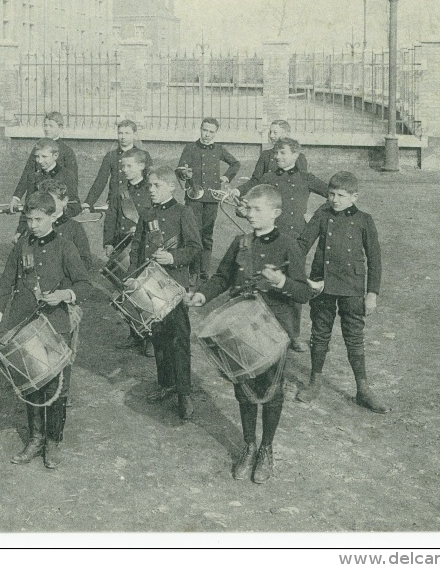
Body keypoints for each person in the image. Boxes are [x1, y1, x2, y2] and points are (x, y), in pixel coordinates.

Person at [188, 184, 315, 484]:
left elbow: (304, 292)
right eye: (249, 208)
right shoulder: (240, 242)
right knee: (243, 389)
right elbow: (221, 277)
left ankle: (266, 449)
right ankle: (248, 445)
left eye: (258, 209)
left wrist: (282, 281)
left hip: (274, 330)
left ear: (276, 213)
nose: (251, 214)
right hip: (240, 329)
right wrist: (203, 296)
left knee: (271, 393)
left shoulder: (288, 245)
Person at [0, 191, 91, 470]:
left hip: (55, 326)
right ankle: (35, 438)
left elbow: (84, 284)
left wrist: (65, 294)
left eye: (38, 219)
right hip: (25, 324)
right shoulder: (22, 247)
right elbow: (6, 282)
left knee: (56, 387)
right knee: (31, 383)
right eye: (29, 219)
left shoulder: (65, 247)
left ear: (53, 216)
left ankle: (52, 441)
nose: (32, 225)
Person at [296, 171, 388, 413]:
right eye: (331, 194)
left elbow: (375, 259)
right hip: (323, 284)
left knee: (354, 338)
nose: (334, 199)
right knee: (320, 333)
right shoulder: (322, 214)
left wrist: (372, 293)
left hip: (352, 287)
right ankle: (314, 381)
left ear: (354, 196)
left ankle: (363, 389)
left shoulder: (365, 220)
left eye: (340, 195)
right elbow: (303, 244)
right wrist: (293, 268)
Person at [233, 137, 328, 351]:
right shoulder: (267, 178)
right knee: (262, 281)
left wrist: (314, 219)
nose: (277, 157)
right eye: (276, 153)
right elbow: (248, 206)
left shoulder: (306, 178)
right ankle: (261, 329)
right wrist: (241, 210)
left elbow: (331, 196)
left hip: (295, 241)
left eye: (283, 153)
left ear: (295, 155)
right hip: (269, 239)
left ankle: (293, 335)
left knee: (294, 285)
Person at [130, 166, 202, 419]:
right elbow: (137, 247)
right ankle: (166, 384)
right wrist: (132, 277)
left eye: (156, 186)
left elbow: (195, 248)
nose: (151, 190)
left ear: (171, 186)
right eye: (149, 186)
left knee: (179, 340)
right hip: (150, 286)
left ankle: (184, 392)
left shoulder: (184, 212)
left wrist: (173, 257)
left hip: (175, 286)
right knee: (158, 337)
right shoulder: (146, 213)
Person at [104, 147, 156, 356]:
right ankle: (135, 333)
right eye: (122, 166)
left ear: (142, 166)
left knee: (145, 294)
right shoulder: (120, 191)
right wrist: (108, 242)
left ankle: (151, 337)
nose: (124, 170)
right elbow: (111, 216)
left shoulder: (151, 189)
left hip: (144, 248)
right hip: (123, 246)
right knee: (127, 293)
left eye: (129, 166)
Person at [176, 117, 241, 282]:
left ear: (215, 133)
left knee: (207, 235)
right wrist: (185, 173)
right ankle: (193, 271)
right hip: (194, 199)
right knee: (193, 234)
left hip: (212, 198)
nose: (207, 134)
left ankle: (204, 272)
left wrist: (226, 177)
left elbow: (235, 164)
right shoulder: (190, 148)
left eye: (211, 132)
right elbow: (180, 170)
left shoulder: (218, 149)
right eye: (205, 130)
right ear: (200, 129)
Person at [12, 139, 81, 239]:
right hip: (38, 229)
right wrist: (20, 230)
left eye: (44, 156)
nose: (39, 161)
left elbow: (75, 205)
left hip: (60, 229)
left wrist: (57, 216)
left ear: (55, 156)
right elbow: (28, 206)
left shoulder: (67, 175)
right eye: (37, 156)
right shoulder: (34, 177)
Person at [11, 111, 78, 212]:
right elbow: (27, 172)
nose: (47, 129)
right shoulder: (38, 147)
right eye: (45, 125)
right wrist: (17, 197)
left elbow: (71, 180)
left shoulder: (67, 151)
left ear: (60, 128)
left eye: (51, 126)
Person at [83, 119, 151, 213]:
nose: (123, 137)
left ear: (134, 135)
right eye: (120, 133)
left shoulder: (143, 155)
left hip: (137, 201)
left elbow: (149, 179)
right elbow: (101, 181)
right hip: (115, 202)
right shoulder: (111, 156)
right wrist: (88, 203)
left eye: (127, 133)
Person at [38, 178, 92, 270]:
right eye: (44, 200)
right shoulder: (35, 226)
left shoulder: (74, 228)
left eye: (52, 200)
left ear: (64, 201)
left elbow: (86, 261)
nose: (47, 205)